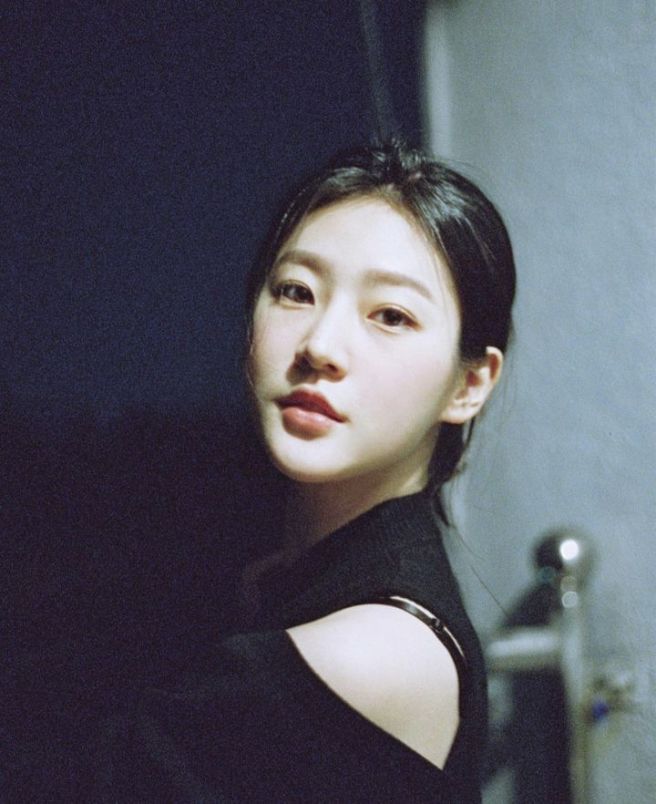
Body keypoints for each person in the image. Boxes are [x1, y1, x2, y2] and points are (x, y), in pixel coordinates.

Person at [89, 140, 516, 801]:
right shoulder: (287, 586)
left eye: (391, 315)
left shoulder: (365, 657)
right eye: (296, 292)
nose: (320, 345)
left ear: (470, 384)